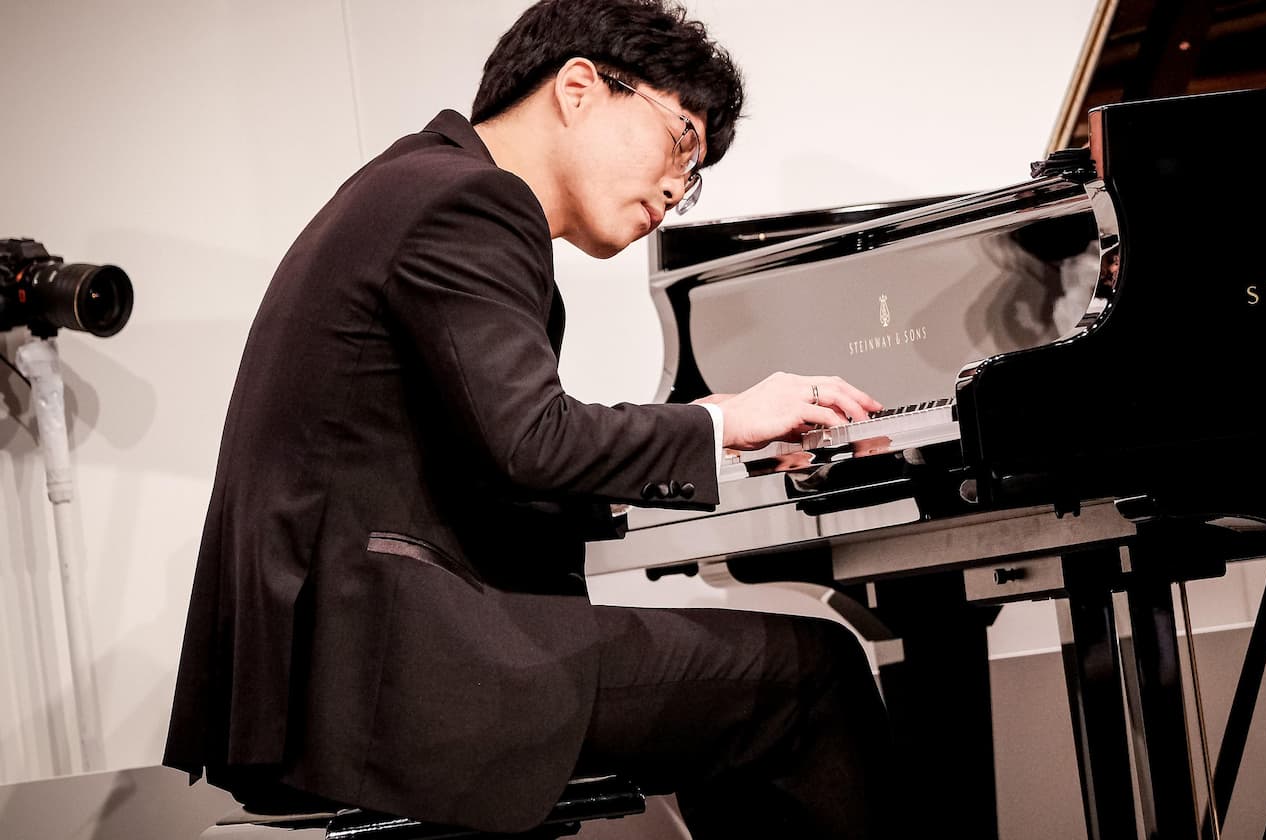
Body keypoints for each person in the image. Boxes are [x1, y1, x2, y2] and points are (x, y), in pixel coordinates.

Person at [161, 1, 903, 837]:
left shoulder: (410, 186)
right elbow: (529, 439)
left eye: (693, 175)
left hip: (330, 669)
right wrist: (715, 428)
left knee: (740, 705)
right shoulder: (471, 201)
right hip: (389, 673)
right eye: (680, 141)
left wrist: (701, 430)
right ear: (580, 87)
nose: (677, 190)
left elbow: (483, 456)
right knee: (814, 674)